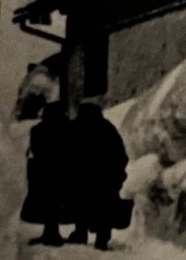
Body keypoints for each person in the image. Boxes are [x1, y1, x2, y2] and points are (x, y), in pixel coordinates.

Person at [66, 101, 130, 251]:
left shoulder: (76, 128)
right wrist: (117, 174)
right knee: (104, 206)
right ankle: (103, 236)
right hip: (105, 179)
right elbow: (121, 155)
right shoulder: (107, 128)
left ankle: (81, 232)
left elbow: (66, 153)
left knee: (81, 204)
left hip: (82, 178)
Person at [20, 101, 71, 246]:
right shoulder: (66, 128)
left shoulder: (37, 130)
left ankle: (50, 232)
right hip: (61, 171)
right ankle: (52, 232)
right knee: (54, 203)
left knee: (47, 202)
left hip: (42, 171)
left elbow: (34, 150)